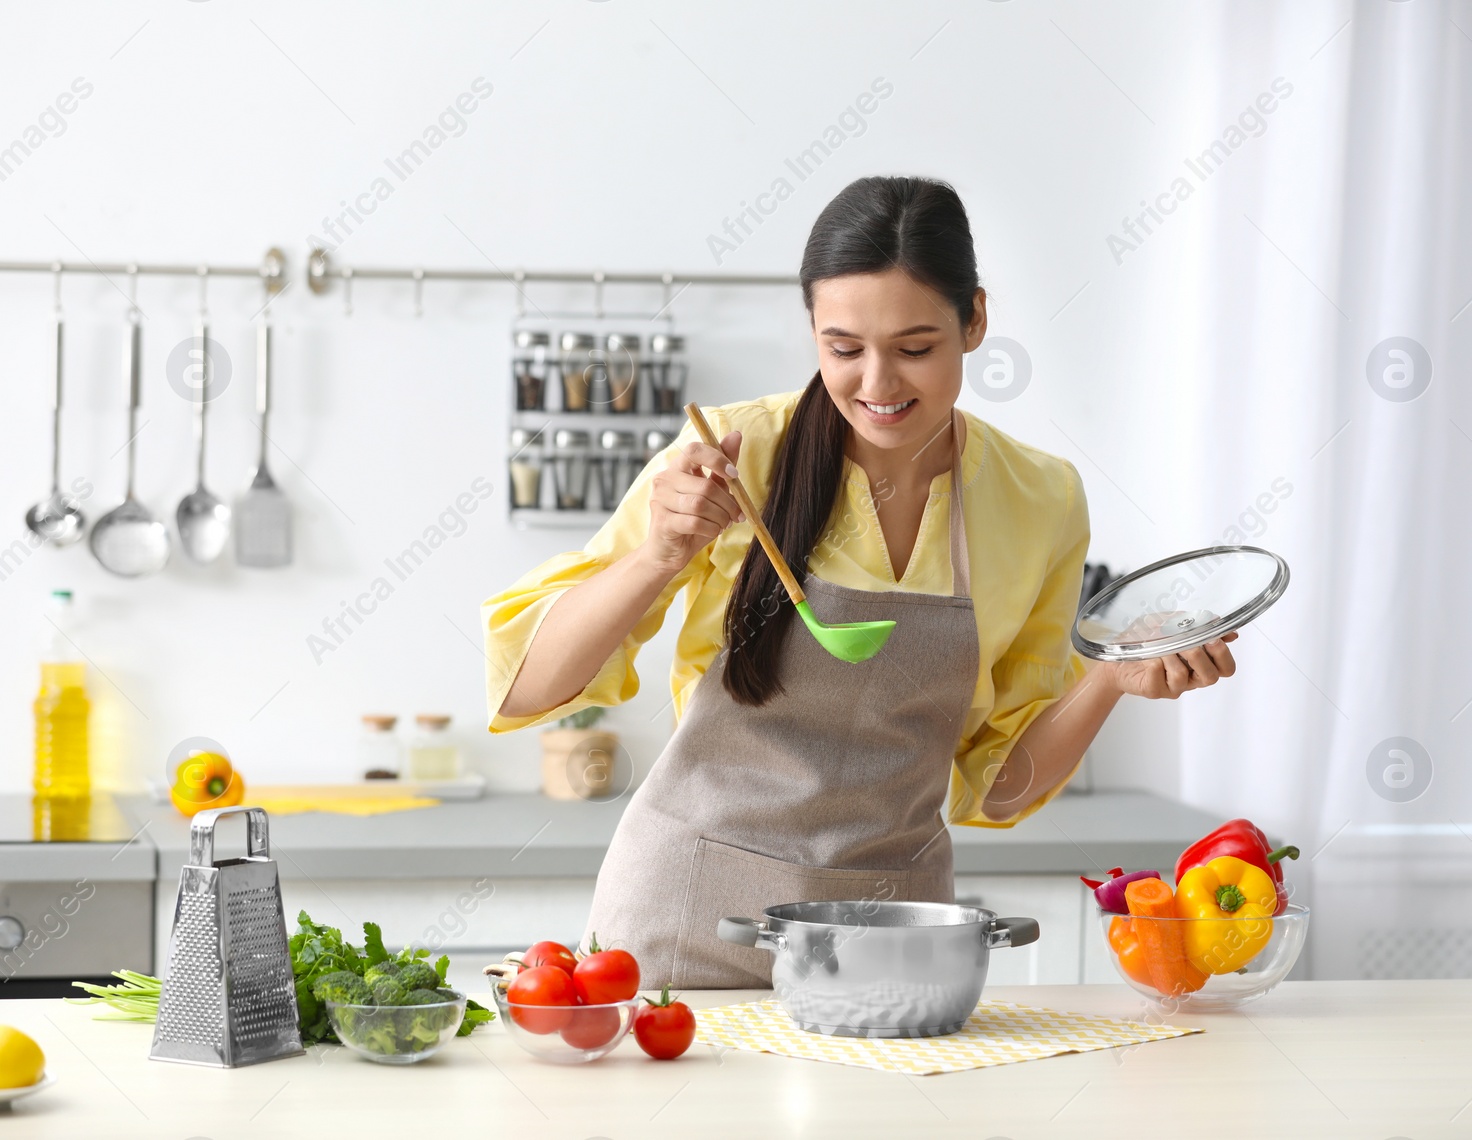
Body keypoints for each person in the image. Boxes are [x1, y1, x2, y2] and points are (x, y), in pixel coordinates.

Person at [482, 176, 1238, 988]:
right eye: (844, 349)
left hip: (891, 937)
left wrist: (1110, 682)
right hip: (686, 917)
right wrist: (656, 555)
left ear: (974, 320)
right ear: (811, 331)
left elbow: (1001, 789)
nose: (877, 384)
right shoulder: (739, 458)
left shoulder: (1040, 499)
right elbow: (526, 689)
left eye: (915, 348)